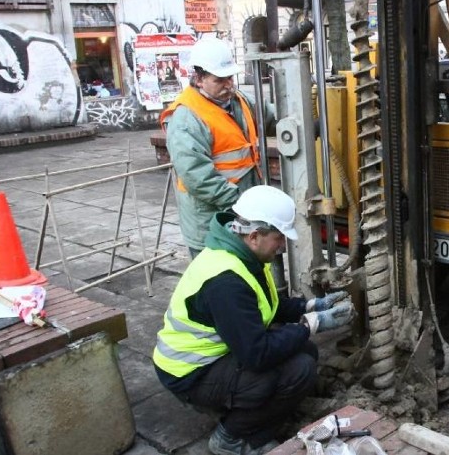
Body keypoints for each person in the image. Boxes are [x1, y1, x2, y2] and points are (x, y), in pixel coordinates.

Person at [152, 185, 355, 455]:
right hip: (189, 372)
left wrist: (310, 305)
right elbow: (256, 354)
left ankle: (250, 410)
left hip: (212, 358)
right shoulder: (225, 281)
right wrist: (312, 324)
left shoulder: (243, 257)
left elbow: (265, 305)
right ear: (254, 235)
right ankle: (230, 438)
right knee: (298, 370)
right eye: (279, 237)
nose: (283, 245)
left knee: (305, 350)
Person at [160, 37, 275, 258]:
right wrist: (240, 202)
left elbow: (271, 119)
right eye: (220, 80)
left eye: (230, 77)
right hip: (210, 221)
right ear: (200, 78)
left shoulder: (239, 101)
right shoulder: (186, 118)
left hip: (238, 214)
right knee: (217, 280)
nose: (228, 85)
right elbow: (197, 176)